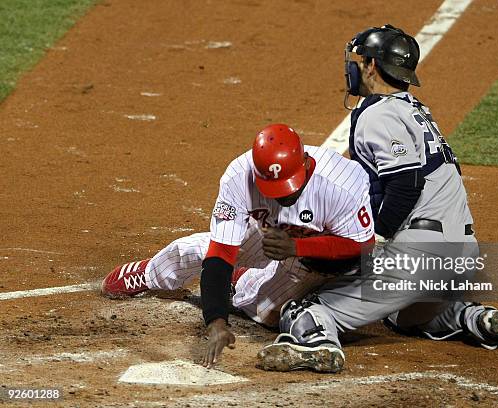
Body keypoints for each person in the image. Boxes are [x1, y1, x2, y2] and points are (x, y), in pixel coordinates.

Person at [256, 25, 498, 373]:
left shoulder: (377, 114)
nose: (354, 67)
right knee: (403, 317)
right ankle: (477, 317)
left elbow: (405, 184)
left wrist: (374, 241)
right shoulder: (414, 110)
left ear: (371, 66)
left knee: (303, 309)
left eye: (359, 59)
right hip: (462, 254)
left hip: (420, 255)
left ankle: (319, 345)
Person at [101, 124, 374, 368]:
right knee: (204, 250)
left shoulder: (342, 184)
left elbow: (361, 246)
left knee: (268, 312)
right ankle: (150, 273)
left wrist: (298, 248)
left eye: (290, 187)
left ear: (304, 161)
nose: (286, 195)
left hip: (315, 254)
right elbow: (221, 254)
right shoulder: (239, 177)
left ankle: (243, 281)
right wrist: (216, 322)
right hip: (268, 233)